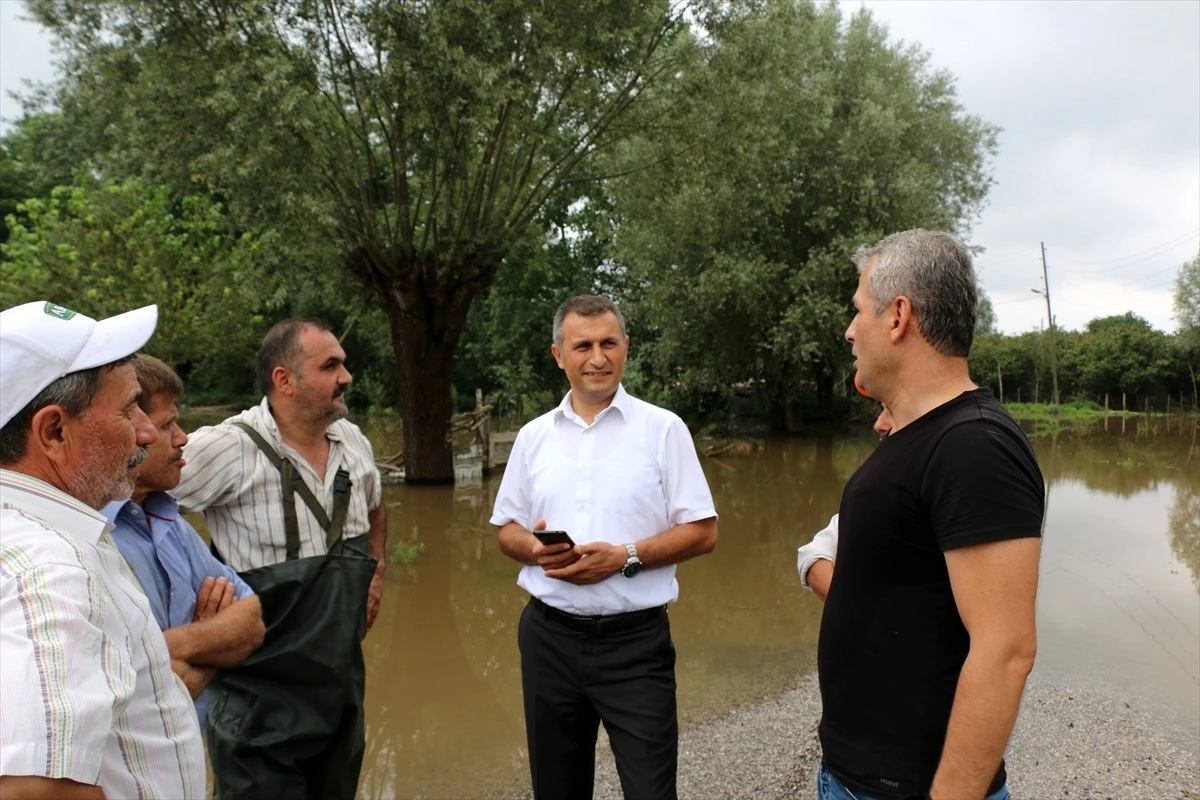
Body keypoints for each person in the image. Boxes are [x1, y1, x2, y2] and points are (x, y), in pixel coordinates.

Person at [817, 230, 1045, 800]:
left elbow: (1006, 650)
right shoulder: (918, 435)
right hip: (857, 774)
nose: (849, 330)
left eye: (857, 310)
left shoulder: (974, 447)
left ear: (897, 316)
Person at [490, 294, 719, 800]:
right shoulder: (533, 438)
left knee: (651, 792)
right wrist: (535, 549)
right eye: (583, 346)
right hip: (548, 640)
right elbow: (506, 528)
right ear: (558, 355)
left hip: (635, 647)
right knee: (557, 790)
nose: (597, 357)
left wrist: (626, 557)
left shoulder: (663, 430)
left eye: (608, 343)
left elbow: (704, 532)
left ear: (626, 348)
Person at [171, 319, 387, 800]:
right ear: (284, 380)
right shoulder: (227, 448)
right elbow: (132, 497)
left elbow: (375, 505)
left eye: (343, 364)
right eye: (330, 365)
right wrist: (174, 599)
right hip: (256, 717)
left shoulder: (352, 441)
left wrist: (376, 570)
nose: (346, 376)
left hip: (340, 701)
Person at [0, 301, 205, 799]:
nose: (147, 431)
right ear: (54, 431)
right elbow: (34, 791)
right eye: (128, 407)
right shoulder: (51, 569)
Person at [102, 354, 265, 728]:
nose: (183, 438)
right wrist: (209, 637)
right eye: (168, 424)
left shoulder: (167, 518)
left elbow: (251, 621)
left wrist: (164, 651)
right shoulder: (88, 535)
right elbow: (139, 705)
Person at [796, 401, 894, 601]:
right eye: (882, 410)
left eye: (892, 411)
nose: (879, 424)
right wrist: (857, 614)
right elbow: (813, 554)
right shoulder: (880, 488)